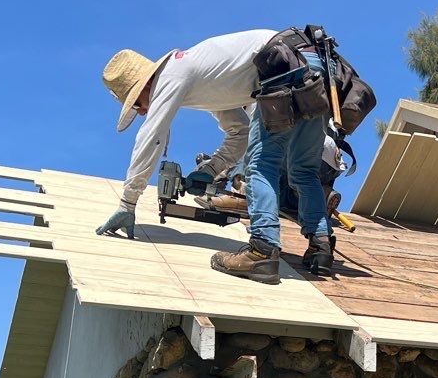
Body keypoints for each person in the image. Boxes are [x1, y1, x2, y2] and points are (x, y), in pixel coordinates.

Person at [96, 30, 331, 285]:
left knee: (261, 165)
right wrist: (210, 170)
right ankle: (321, 249)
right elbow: (239, 132)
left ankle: (262, 253)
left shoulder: (171, 74)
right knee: (304, 170)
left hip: (282, 67)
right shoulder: (210, 79)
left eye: (136, 104)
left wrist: (127, 203)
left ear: (146, 85)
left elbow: (151, 136)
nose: (141, 112)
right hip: (314, 64)